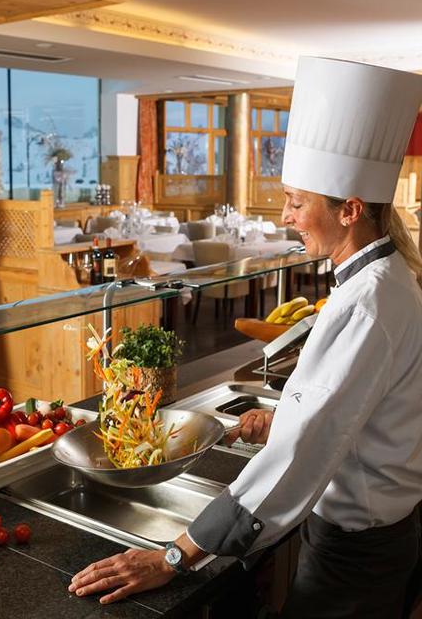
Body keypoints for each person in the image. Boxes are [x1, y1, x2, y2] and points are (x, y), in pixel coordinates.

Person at [68, 56, 422, 618]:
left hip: (355, 553)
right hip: (382, 535)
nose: (285, 216)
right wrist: (286, 419)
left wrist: (175, 557)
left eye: (297, 202)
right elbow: (361, 410)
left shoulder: (367, 301)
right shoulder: (388, 278)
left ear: (350, 210)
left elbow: (299, 459)